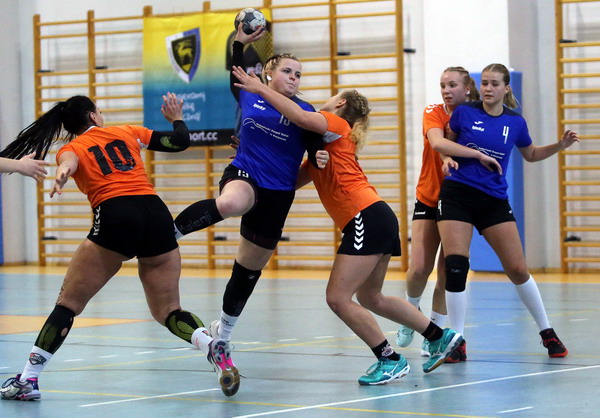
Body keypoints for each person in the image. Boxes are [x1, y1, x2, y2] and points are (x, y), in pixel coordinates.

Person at [231, 65, 464, 385]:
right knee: (372, 298)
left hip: (364, 217)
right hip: (377, 217)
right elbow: (288, 180)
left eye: (333, 96)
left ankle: (389, 358)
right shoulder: (325, 146)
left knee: (337, 297)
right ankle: (439, 336)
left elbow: (300, 117)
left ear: (340, 104)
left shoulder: (336, 123)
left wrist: (259, 88)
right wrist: (253, 155)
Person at [0, 93, 239, 401]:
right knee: (169, 310)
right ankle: (210, 344)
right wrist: (177, 118)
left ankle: (28, 380)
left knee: (68, 304)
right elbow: (179, 142)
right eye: (99, 111)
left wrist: (62, 174)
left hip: (116, 215)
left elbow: (69, 163)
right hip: (155, 213)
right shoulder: (128, 131)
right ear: (93, 116)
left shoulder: (71, 148)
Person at [172, 24, 327, 358]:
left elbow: (315, 143)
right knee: (232, 202)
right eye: (287, 71)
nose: (293, 78)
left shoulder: (305, 111)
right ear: (268, 73)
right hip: (245, 173)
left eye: (298, 75)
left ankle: (223, 332)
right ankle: (167, 234)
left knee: (247, 270)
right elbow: (235, 72)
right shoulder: (250, 94)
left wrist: (319, 155)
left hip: (278, 193)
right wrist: (239, 42)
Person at [438, 63, 577, 358]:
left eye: (494, 84)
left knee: (517, 268)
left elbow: (532, 154)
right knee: (456, 265)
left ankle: (547, 332)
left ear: (506, 88)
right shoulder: (464, 113)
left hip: (493, 200)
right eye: (484, 83)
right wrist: (446, 159)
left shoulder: (515, 122)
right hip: (457, 194)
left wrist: (560, 145)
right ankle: (456, 340)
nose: (488, 88)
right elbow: (445, 145)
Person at [396, 67, 501, 363]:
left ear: (467, 88)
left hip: (459, 201)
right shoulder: (434, 111)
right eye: (442, 85)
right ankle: (410, 313)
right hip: (429, 197)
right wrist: (466, 155)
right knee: (419, 267)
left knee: (446, 273)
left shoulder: (478, 116)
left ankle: (435, 335)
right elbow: (437, 141)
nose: (445, 90)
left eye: (452, 85)